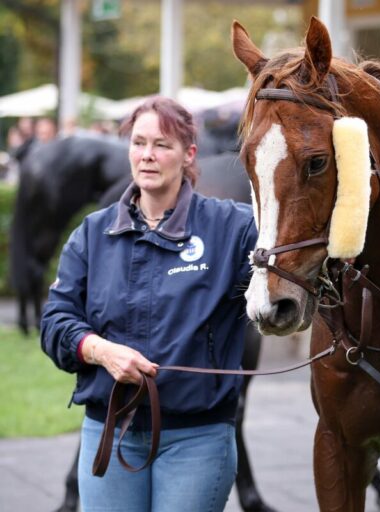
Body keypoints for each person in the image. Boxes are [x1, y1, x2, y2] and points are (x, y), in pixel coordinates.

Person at [40, 96, 258, 511]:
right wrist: (100, 351)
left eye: (162, 144)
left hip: (198, 439)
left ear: (188, 154)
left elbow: (299, 256)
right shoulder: (92, 234)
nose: (148, 156)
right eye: (138, 143)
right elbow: (55, 322)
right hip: (108, 430)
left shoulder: (235, 227)